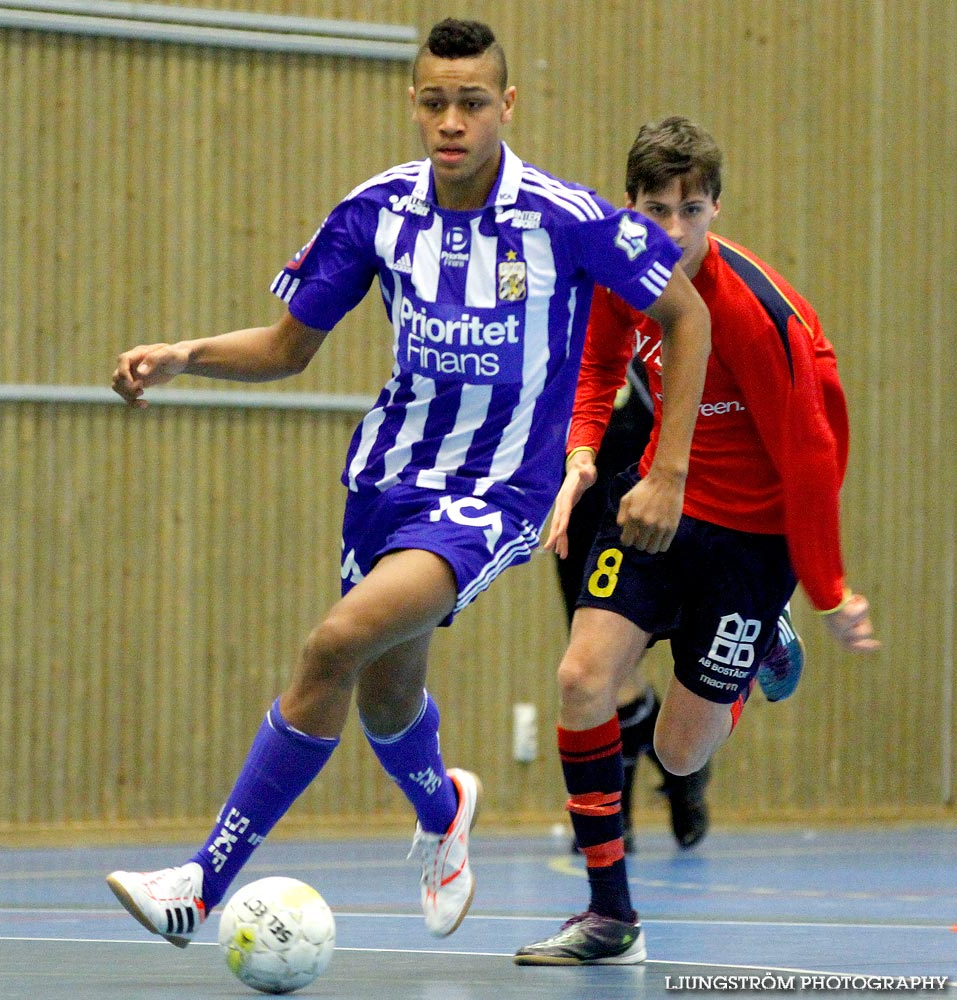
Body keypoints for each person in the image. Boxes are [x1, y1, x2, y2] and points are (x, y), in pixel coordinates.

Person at [105, 24, 711, 949]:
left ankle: (201, 881)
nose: (451, 121)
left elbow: (687, 310)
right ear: (414, 103)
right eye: (434, 101)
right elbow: (285, 347)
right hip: (386, 481)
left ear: (505, 107)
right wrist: (186, 353)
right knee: (389, 699)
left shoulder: (566, 217)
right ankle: (443, 811)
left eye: (472, 102)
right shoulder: (376, 212)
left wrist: (667, 470)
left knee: (332, 645)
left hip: (497, 492)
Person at [515, 116, 879, 966]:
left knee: (680, 754)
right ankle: (610, 915)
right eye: (653, 210)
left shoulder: (756, 315)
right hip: (654, 504)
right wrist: (577, 457)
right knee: (581, 680)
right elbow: (599, 368)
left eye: (690, 210)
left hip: (752, 539)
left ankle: (758, 643)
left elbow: (811, 455)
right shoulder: (621, 275)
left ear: (715, 208)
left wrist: (826, 589)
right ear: (629, 207)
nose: (671, 231)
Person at [554, 357, 712, 856]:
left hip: (644, 512)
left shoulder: (652, 333)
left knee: (610, 673)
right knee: (596, 671)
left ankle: (615, 811)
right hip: (580, 515)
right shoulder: (560, 331)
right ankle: (670, 775)